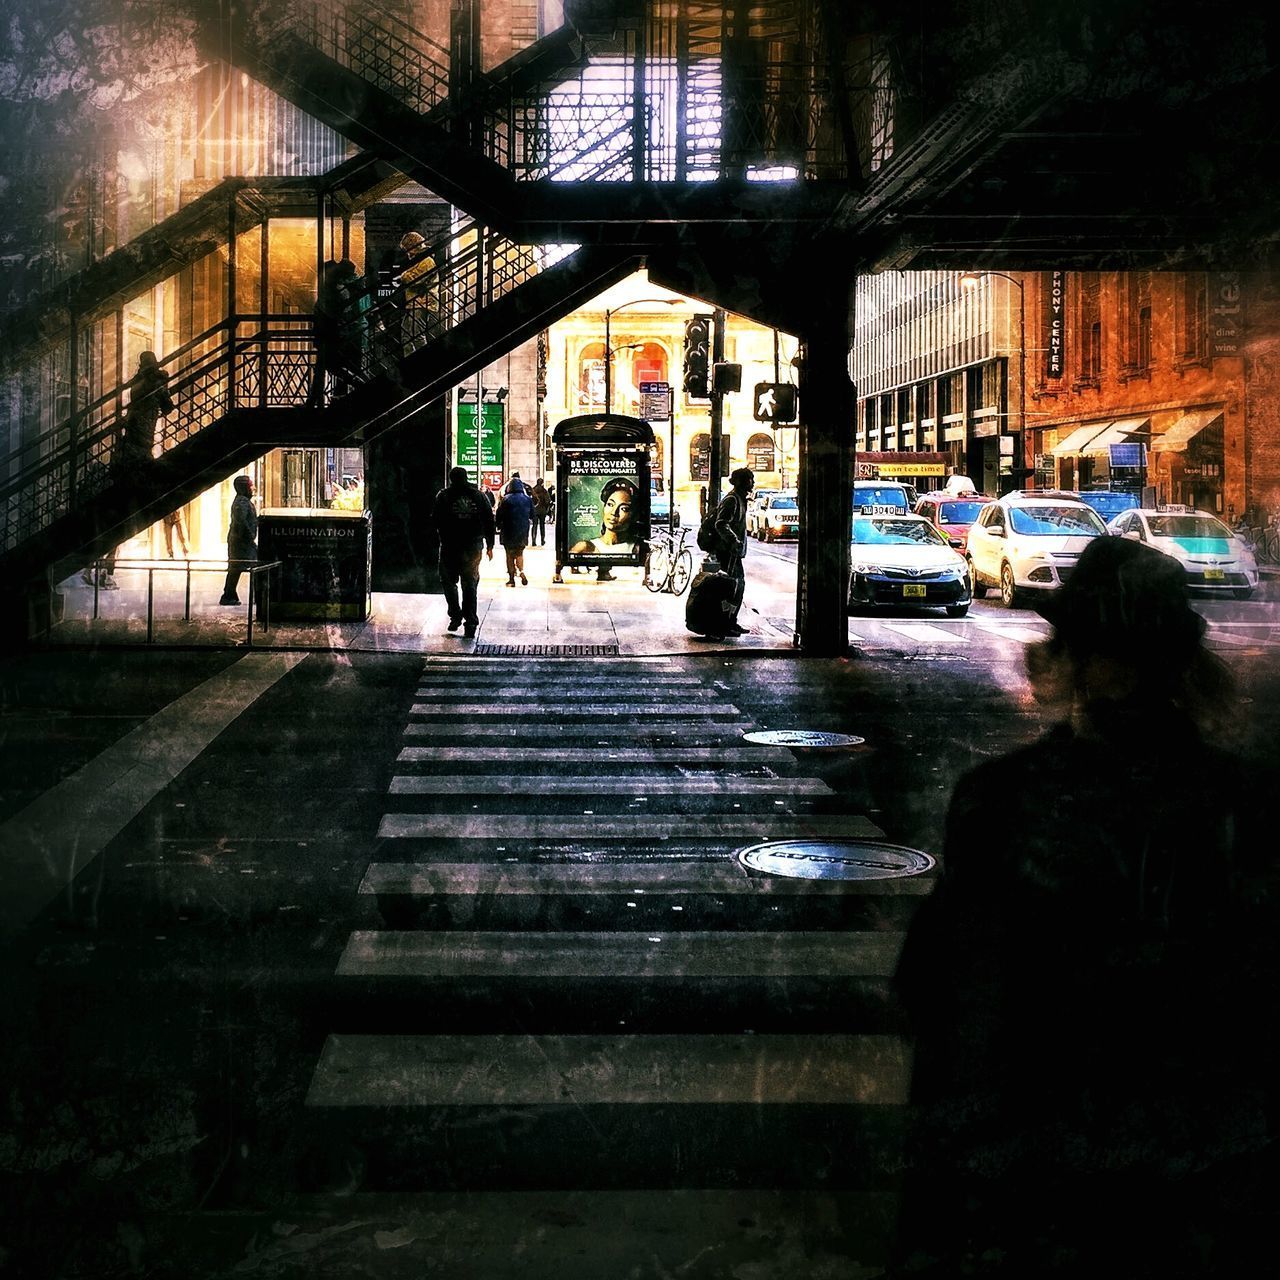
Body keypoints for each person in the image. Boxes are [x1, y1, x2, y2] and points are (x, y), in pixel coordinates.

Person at [890, 536, 1278, 1278]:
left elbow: (944, 1007)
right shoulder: (1246, 801)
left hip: (1041, 1180)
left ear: (1073, 657)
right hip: (1190, 1186)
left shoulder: (1004, 800)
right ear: (1182, 664)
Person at [431, 466, 495, 637]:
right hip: (473, 546)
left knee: (448, 582)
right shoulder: (479, 496)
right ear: (466, 477)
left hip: (450, 546)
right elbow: (489, 520)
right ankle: (471, 623)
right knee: (470, 584)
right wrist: (490, 545)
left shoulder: (443, 496)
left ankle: (455, 614)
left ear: (451, 479)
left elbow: (435, 520)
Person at [305, 260, 360, 408]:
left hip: (329, 335)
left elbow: (330, 315)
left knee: (328, 367)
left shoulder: (332, 293)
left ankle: (359, 383)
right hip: (332, 335)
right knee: (326, 367)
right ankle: (313, 400)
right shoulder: (339, 291)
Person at [710, 466, 754, 635]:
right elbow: (721, 523)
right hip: (728, 552)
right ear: (742, 481)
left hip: (734, 552)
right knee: (732, 588)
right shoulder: (732, 500)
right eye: (750, 479)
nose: (753, 483)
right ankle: (725, 622)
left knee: (736, 588)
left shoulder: (739, 499)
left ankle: (730, 621)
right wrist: (733, 540)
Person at [569, 476, 638, 556]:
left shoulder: (637, 548)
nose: (614, 512)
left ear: (633, 514)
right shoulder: (585, 548)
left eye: (623, 509)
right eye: (610, 504)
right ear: (604, 506)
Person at [219, 474, 260, 607]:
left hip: (240, 541)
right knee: (256, 566)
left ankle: (229, 594)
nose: (253, 488)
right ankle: (257, 596)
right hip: (241, 542)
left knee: (235, 569)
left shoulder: (242, 501)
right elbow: (241, 522)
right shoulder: (242, 502)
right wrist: (250, 537)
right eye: (250, 485)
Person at [494, 475, 533, 587]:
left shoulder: (506, 499)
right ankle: (521, 571)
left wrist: (498, 525)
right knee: (520, 553)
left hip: (508, 531)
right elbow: (532, 515)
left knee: (509, 555)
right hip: (522, 531)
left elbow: (499, 515)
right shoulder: (527, 499)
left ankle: (511, 579)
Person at [530, 477, 551, 546]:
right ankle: (542, 540)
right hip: (542, 510)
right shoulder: (544, 491)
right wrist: (546, 508)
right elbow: (548, 501)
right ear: (542, 483)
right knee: (542, 526)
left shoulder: (533, 490)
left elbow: (530, 500)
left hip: (534, 510)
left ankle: (533, 540)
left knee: (534, 525)